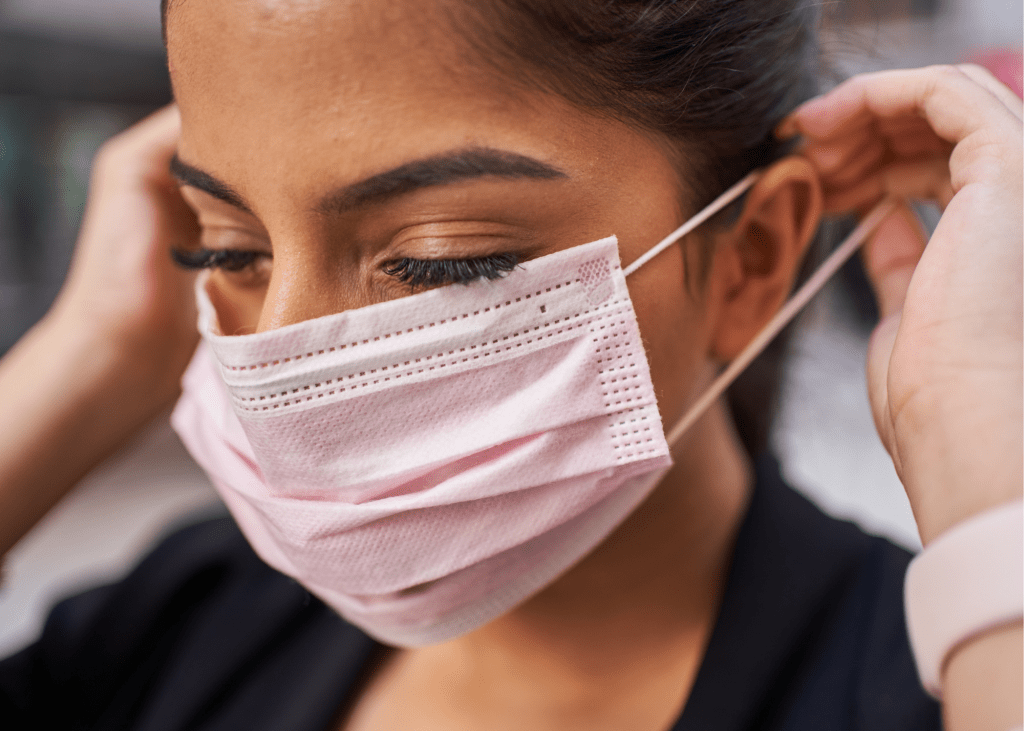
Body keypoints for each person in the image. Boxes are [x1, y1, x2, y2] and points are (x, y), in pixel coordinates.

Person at [0, 1, 1020, 729]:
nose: (278, 341)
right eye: (226, 247)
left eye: (444, 259)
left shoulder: (944, 673)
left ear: (750, 257)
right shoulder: (190, 616)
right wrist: (82, 358)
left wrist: (984, 447)